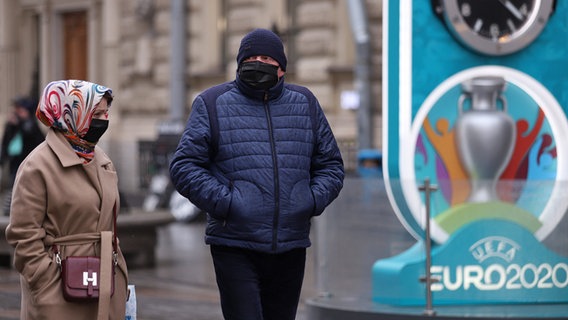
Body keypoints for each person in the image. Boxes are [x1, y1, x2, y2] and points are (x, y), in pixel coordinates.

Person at [170, 28, 345, 320]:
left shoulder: (305, 103)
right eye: (250, 57)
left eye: (266, 58)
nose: (258, 63)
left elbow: (331, 165)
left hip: (291, 243)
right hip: (235, 243)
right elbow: (184, 166)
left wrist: (310, 200)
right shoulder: (212, 102)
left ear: (281, 68)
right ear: (239, 63)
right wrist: (228, 203)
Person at [5, 80, 129, 319]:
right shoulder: (37, 165)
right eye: (97, 113)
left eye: (106, 113)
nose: (103, 120)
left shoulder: (100, 158)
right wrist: (44, 284)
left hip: (106, 283)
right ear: (73, 113)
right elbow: (23, 233)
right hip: (59, 290)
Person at [0, 96, 45, 214]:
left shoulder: (30, 124)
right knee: (13, 184)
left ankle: (20, 210)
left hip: (28, 160)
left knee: (26, 186)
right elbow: (6, 142)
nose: (17, 113)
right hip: (15, 161)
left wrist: (19, 123)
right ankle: (10, 210)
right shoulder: (11, 125)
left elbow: (35, 139)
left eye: (20, 110)